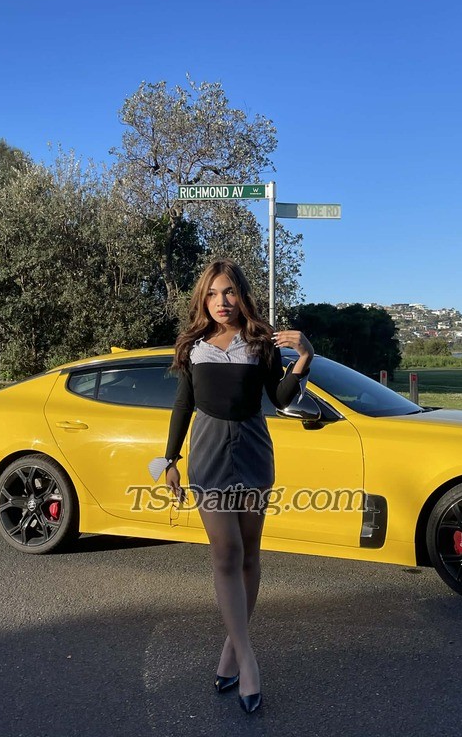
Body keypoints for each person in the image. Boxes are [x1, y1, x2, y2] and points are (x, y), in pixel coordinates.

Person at [162, 258, 314, 714]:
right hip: (208, 454)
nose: (221, 301)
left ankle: (231, 651)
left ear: (241, 294)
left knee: (249, 554)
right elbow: (183, 404)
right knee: (225, 552)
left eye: (228, 291)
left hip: (252, 450)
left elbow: (279, 398)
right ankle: (248, 660)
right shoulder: (193, 346)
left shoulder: (260, 343)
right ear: (202, 299)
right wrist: (170, 459)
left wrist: (304, 358)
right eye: (212, 294)